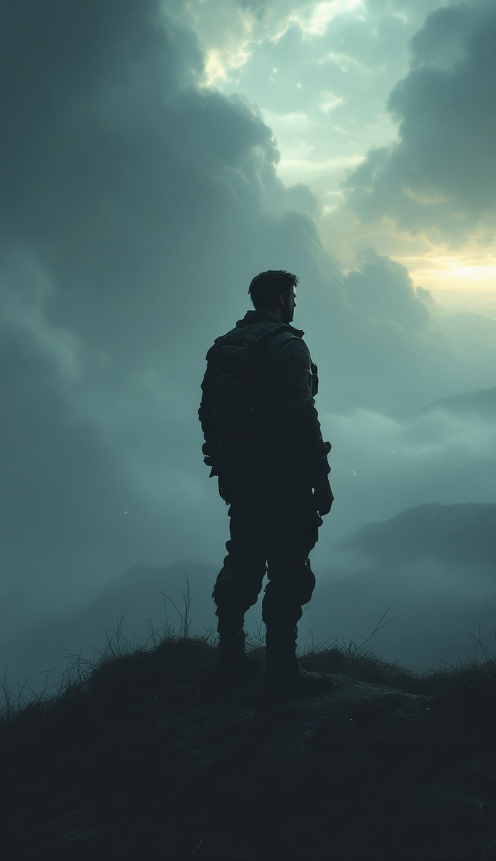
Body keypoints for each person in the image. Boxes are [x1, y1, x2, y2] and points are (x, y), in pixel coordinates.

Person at [199, 269, 334, 697]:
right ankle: (281, 671)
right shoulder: (286, 346)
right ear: (280, 299)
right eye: (293, 296)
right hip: (284, 479)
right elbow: (300, 414)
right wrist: (321, 476)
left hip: (241, 480)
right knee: (288, 568)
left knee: (242, 559)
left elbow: (207, 415)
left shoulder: (223, 348)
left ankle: (231, 659)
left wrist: (225, 468)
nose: (295, 304)